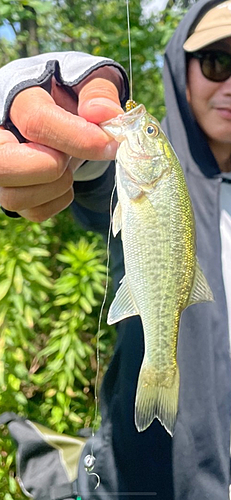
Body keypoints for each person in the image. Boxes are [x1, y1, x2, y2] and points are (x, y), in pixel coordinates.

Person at [0, 0, 230, 498]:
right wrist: (57, 117)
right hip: (148, 483)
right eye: (217, 62)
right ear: (181, 68)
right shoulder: (159, 169)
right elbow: (95, 179)